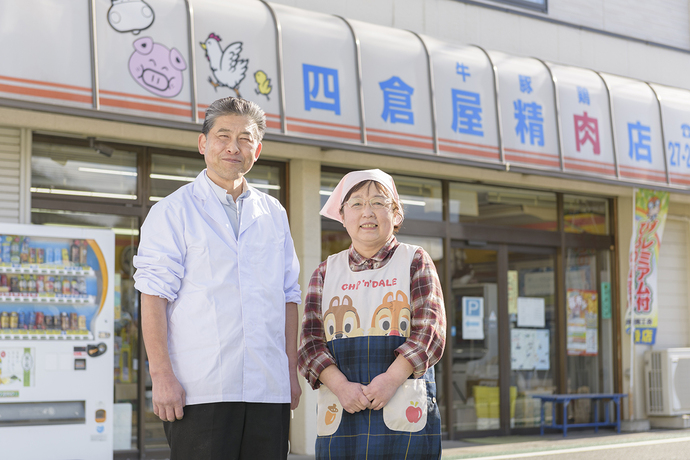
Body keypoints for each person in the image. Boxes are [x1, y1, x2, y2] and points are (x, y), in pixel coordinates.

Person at [133, 97, 302, 459]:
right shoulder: (172, 212)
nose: (233, 147)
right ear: (203, 144)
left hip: (267, 387)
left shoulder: (273, 213)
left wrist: (290, 371)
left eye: (245, 138)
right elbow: (153, 296)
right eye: (223, 135)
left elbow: (289, 296)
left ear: (257, 148)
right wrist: (161, 376)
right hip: (200, 389)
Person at [298, 169, 446, 459]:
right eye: (356, 204)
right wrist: (341, 387)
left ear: (396, 214)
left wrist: (390, 380)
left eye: (379, 202)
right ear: (342, 216)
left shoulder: (415, 259)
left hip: (403, 402)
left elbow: (430, 330)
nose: (367, 212)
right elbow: (309, 343)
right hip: (342, 406)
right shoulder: (326, 271)